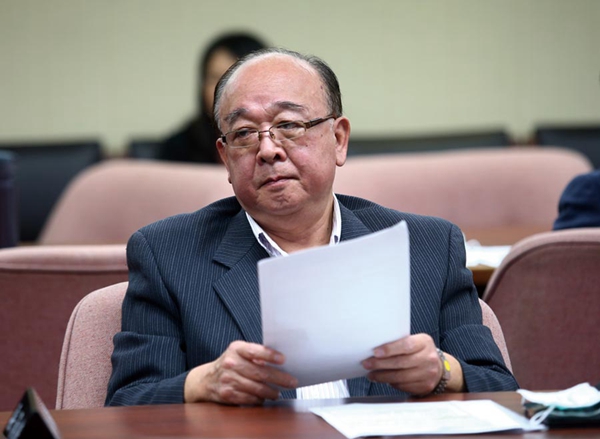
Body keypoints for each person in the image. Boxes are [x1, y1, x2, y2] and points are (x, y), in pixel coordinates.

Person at [106, 48, 518, 406]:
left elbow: (502, 389)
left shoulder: (429, 246)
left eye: (289, 125)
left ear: (339, 139)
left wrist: (442, 371)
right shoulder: (168, 254)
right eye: (245, 133)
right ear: (225, 158)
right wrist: (202, 383)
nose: (268, 150)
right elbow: (127, 404)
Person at [158, 32, 267, 163]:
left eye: (233, 79)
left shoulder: (278, 139)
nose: (223, 89)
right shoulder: (178, 147)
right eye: (215, 78)